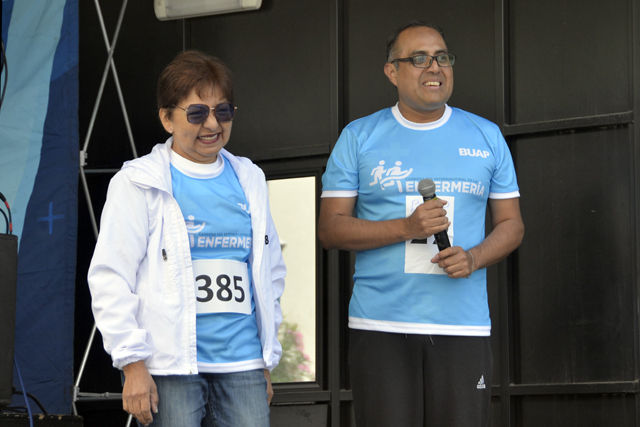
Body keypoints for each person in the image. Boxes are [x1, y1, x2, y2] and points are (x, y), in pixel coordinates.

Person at [318, 21, 524, 427]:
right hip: (381, 326)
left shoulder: (486, 136)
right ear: (391, 72)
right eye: (419, 59)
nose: (434, 67)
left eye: (442, 57)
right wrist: (406, 228)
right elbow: (330, 229)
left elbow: (512, 224)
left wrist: (474, 258)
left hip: (463, 327)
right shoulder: (358, 137)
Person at [88, 50, 286, 427]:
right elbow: (110, 277)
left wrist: (265, 357)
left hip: (242, 364)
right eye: (197, 113)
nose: (212, 123)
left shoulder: (250, 178)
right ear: (167, 118)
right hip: (170, 366)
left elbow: (270, 272)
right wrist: (132, 363)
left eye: (223, 111)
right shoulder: (138, 181)